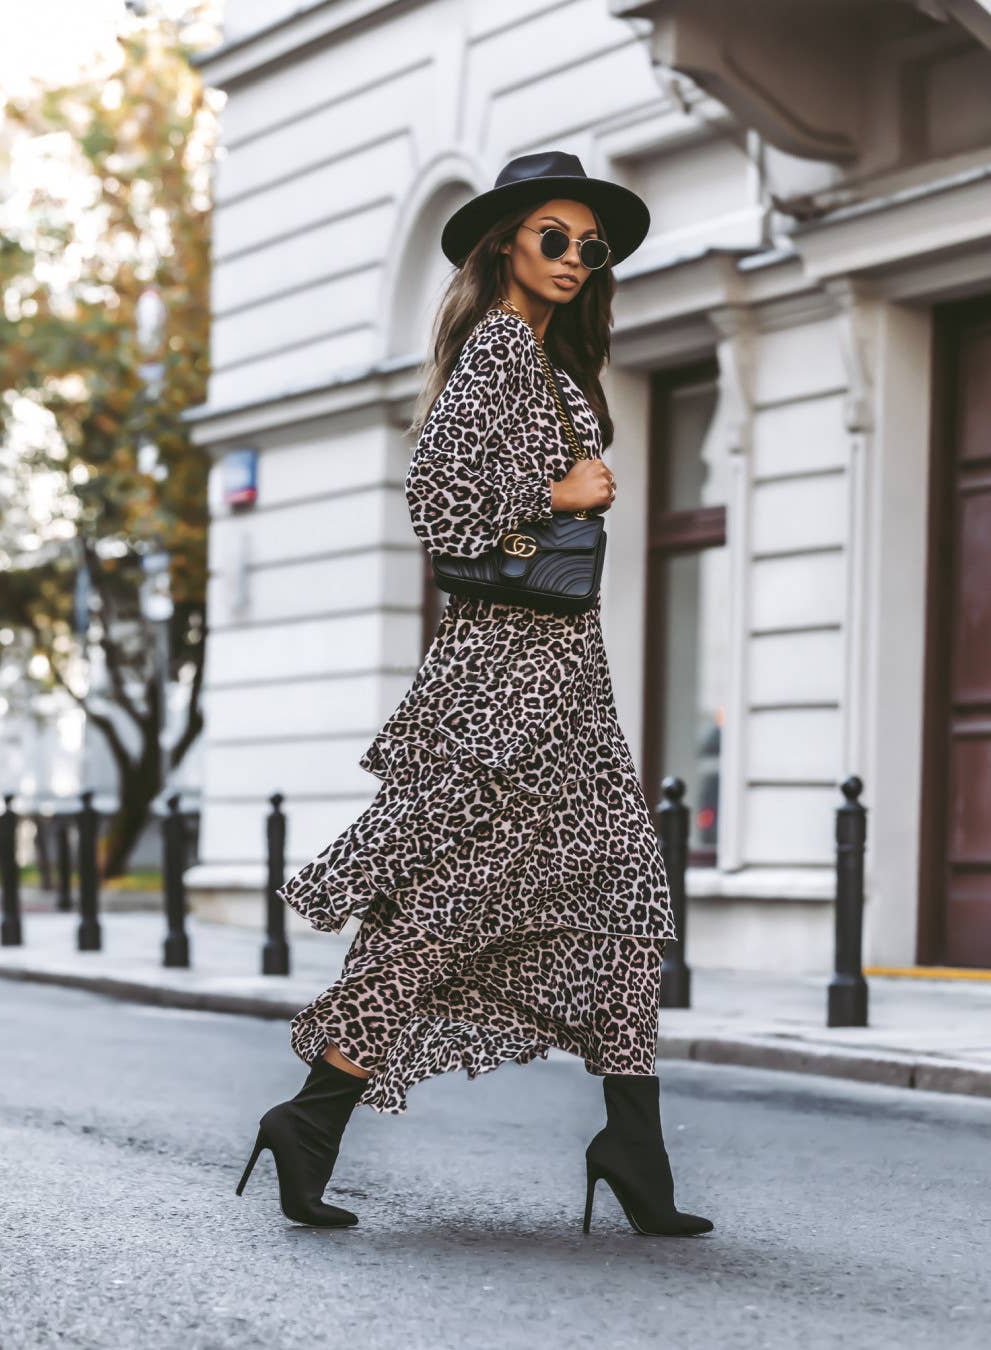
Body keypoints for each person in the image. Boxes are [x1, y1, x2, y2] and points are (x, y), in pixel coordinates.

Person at [235, 151, 713, 1238]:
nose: (575, 258)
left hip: (564, 676)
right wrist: (562, 490)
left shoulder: (548, 361)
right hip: (505, 681)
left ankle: (630, 1142)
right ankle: (312, 1116)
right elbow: (440, 510)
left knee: (626, 898)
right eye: (554, 235)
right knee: (451, 911)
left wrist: (561, 488)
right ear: (505, 243)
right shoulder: (498, 349)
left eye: (590, 246)